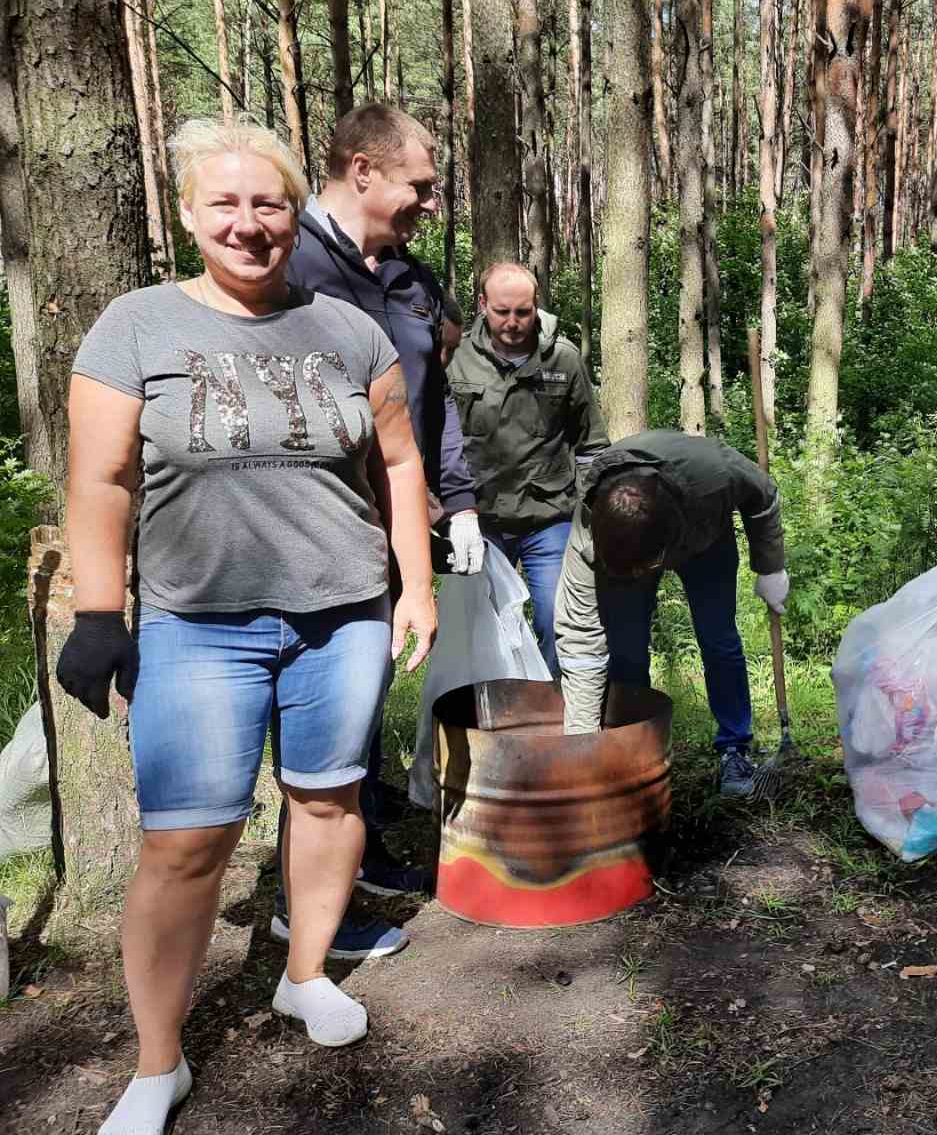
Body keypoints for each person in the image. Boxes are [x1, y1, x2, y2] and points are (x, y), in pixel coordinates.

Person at [54, 118, 437, 1135]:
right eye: (224, 203)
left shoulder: (350, 329)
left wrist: (416, 586)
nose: (249, 223)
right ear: (187, 214)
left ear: (292, 209)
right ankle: (157, 1064)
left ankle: (304, 974)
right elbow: (98, 479)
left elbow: (398, 463)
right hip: (198, 628)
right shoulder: (134, 326)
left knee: (327, 800)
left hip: (344, 616)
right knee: (187, 845)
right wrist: (101, 611)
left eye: (266, 203)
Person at [281, 101, 484, 956]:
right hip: (312, 533)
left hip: (397, 532)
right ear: (363, 170)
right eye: (421, 185)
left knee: (360, 699)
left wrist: (460, 497)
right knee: (317, 717)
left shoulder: (411, 280)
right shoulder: (285, 263)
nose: (432, 203)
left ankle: (350, 860)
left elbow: (430, 407)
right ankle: (304, 909)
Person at [553, 431, 789, 796]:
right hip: (627, 550)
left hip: (706, 540)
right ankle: (632, 749)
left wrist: (770, 565)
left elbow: (763, 495)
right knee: (626, 649)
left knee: (718, 639)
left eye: (646, 567)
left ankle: (734, 747)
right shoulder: (588, 542)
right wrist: (580, 747)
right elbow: (581, 646)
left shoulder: (714, 474)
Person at [448, 262, 609, 673]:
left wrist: (593, 518)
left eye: (523, 312)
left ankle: (554, 716)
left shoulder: (564, 358)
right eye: (502, 312)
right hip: (479, 518)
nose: (513, 323)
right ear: (483, 305)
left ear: (536, 307)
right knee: (480, 630)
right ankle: (493, 718)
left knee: (559, 621)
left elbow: (590, 443)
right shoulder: (457, 359)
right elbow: (436, 441)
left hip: (548, 517)